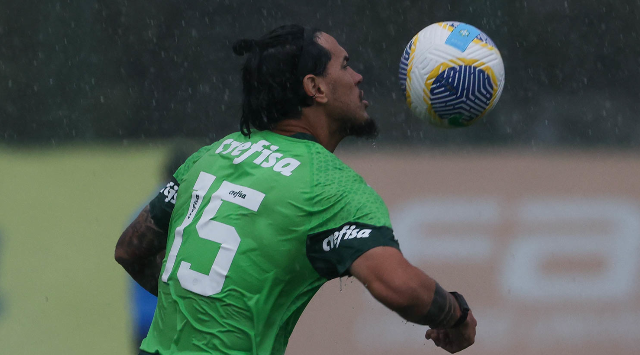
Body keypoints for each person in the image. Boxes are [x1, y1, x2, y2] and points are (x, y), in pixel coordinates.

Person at [115, 24, 477, 355]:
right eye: (345, 65)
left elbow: (130, 250)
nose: (358, 76)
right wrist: (456, 316)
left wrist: (202, 309)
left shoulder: (210, 157)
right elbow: (398, 286)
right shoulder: (329, 185)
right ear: (315, 87)